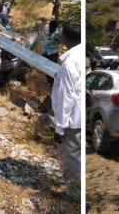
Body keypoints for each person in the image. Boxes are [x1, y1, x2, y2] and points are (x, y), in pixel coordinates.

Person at [51, 20, 81, 199]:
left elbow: (66, 98)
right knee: (75, 157)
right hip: (76, 119)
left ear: (64, 38)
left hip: (69, 122)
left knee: (71, 159)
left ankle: (74, 195)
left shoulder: (70, 64)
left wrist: (59, 127)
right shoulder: (78, 57)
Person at [41, 20, 62, 84]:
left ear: (55, 28)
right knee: (45, 66)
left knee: (52, 68)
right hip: (45, 50)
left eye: (52, 29)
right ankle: (49, 81)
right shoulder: (46, 27)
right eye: (50, 28)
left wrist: (55, 41)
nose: (50, 30)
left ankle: (54, 82)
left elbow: (60, 42)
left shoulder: (59, 33)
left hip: (53, 52)